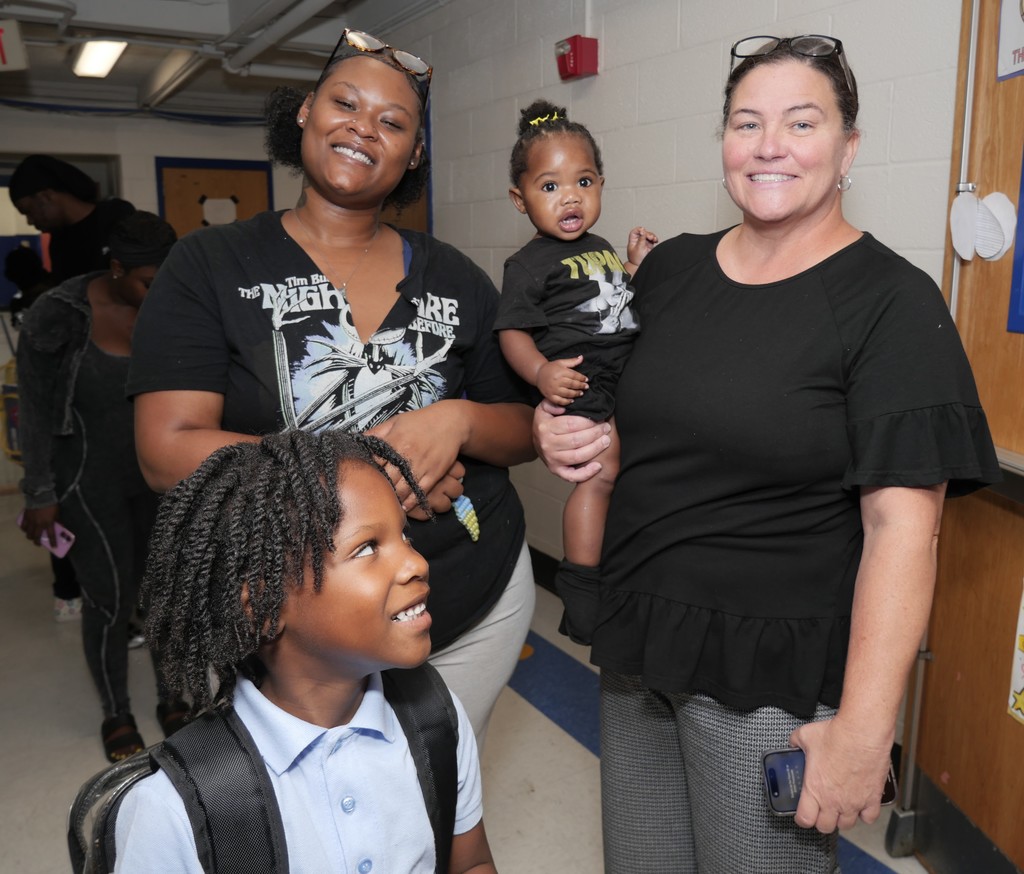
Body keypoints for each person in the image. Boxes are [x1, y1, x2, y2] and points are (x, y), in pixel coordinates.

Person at [532, 34, 1001, 873]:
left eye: (801, 122)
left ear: (848, 149)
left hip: (770, 684)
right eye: (747, 123)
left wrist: (865, 728)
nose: (769, 145)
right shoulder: (670, 271)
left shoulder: (892, 304)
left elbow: (903, 531)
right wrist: (565, 430)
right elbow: (630, 432)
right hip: (641, 647)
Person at [126, 28, 536, 746]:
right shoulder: (209, 264)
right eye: (345, 104)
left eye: (392, 122)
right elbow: (166, 449)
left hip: (469, 591)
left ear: (414, 154)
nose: (363, 128)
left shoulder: (455, 275)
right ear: (305, 113)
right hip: (289, 614)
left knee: (440, 787)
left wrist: (458, 421)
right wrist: (365, 466)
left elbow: (524, 427)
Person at [115, 428, 496, 873]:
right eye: (367, 548)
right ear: (264, 606)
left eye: (405, 536)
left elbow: (470, 864)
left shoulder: (435, 718)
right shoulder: (177, 810)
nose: (417, 563)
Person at [17, 211, 187, 762]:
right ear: (116, 269)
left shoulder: (178, 306)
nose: (157, 292)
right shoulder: (57, 315)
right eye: (147, 282)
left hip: (162, 482)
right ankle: (116, 711)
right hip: (89, 480)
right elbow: (34, 410)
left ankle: (172, 698)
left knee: (166, 593)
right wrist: (39, 493)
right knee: (109, 599)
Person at [495, 99, 657, 645]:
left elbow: (613, 297)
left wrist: (632, 265)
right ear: (520, 200)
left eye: (583, 182)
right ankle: (583, 585)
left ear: (601, 186)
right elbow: (512, 332)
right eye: (549, 186)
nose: (570, 197)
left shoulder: (601, 247)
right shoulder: (527, 264)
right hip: (580, 378)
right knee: (600, 474)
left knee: (632, 472)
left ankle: (621, 569)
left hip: (627, 374)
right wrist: (542, 373)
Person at [8, 154, 136, 282]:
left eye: (28, 211)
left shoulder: (117, 215)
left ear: (45, 197)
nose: (29, 221)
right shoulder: (59, 243)